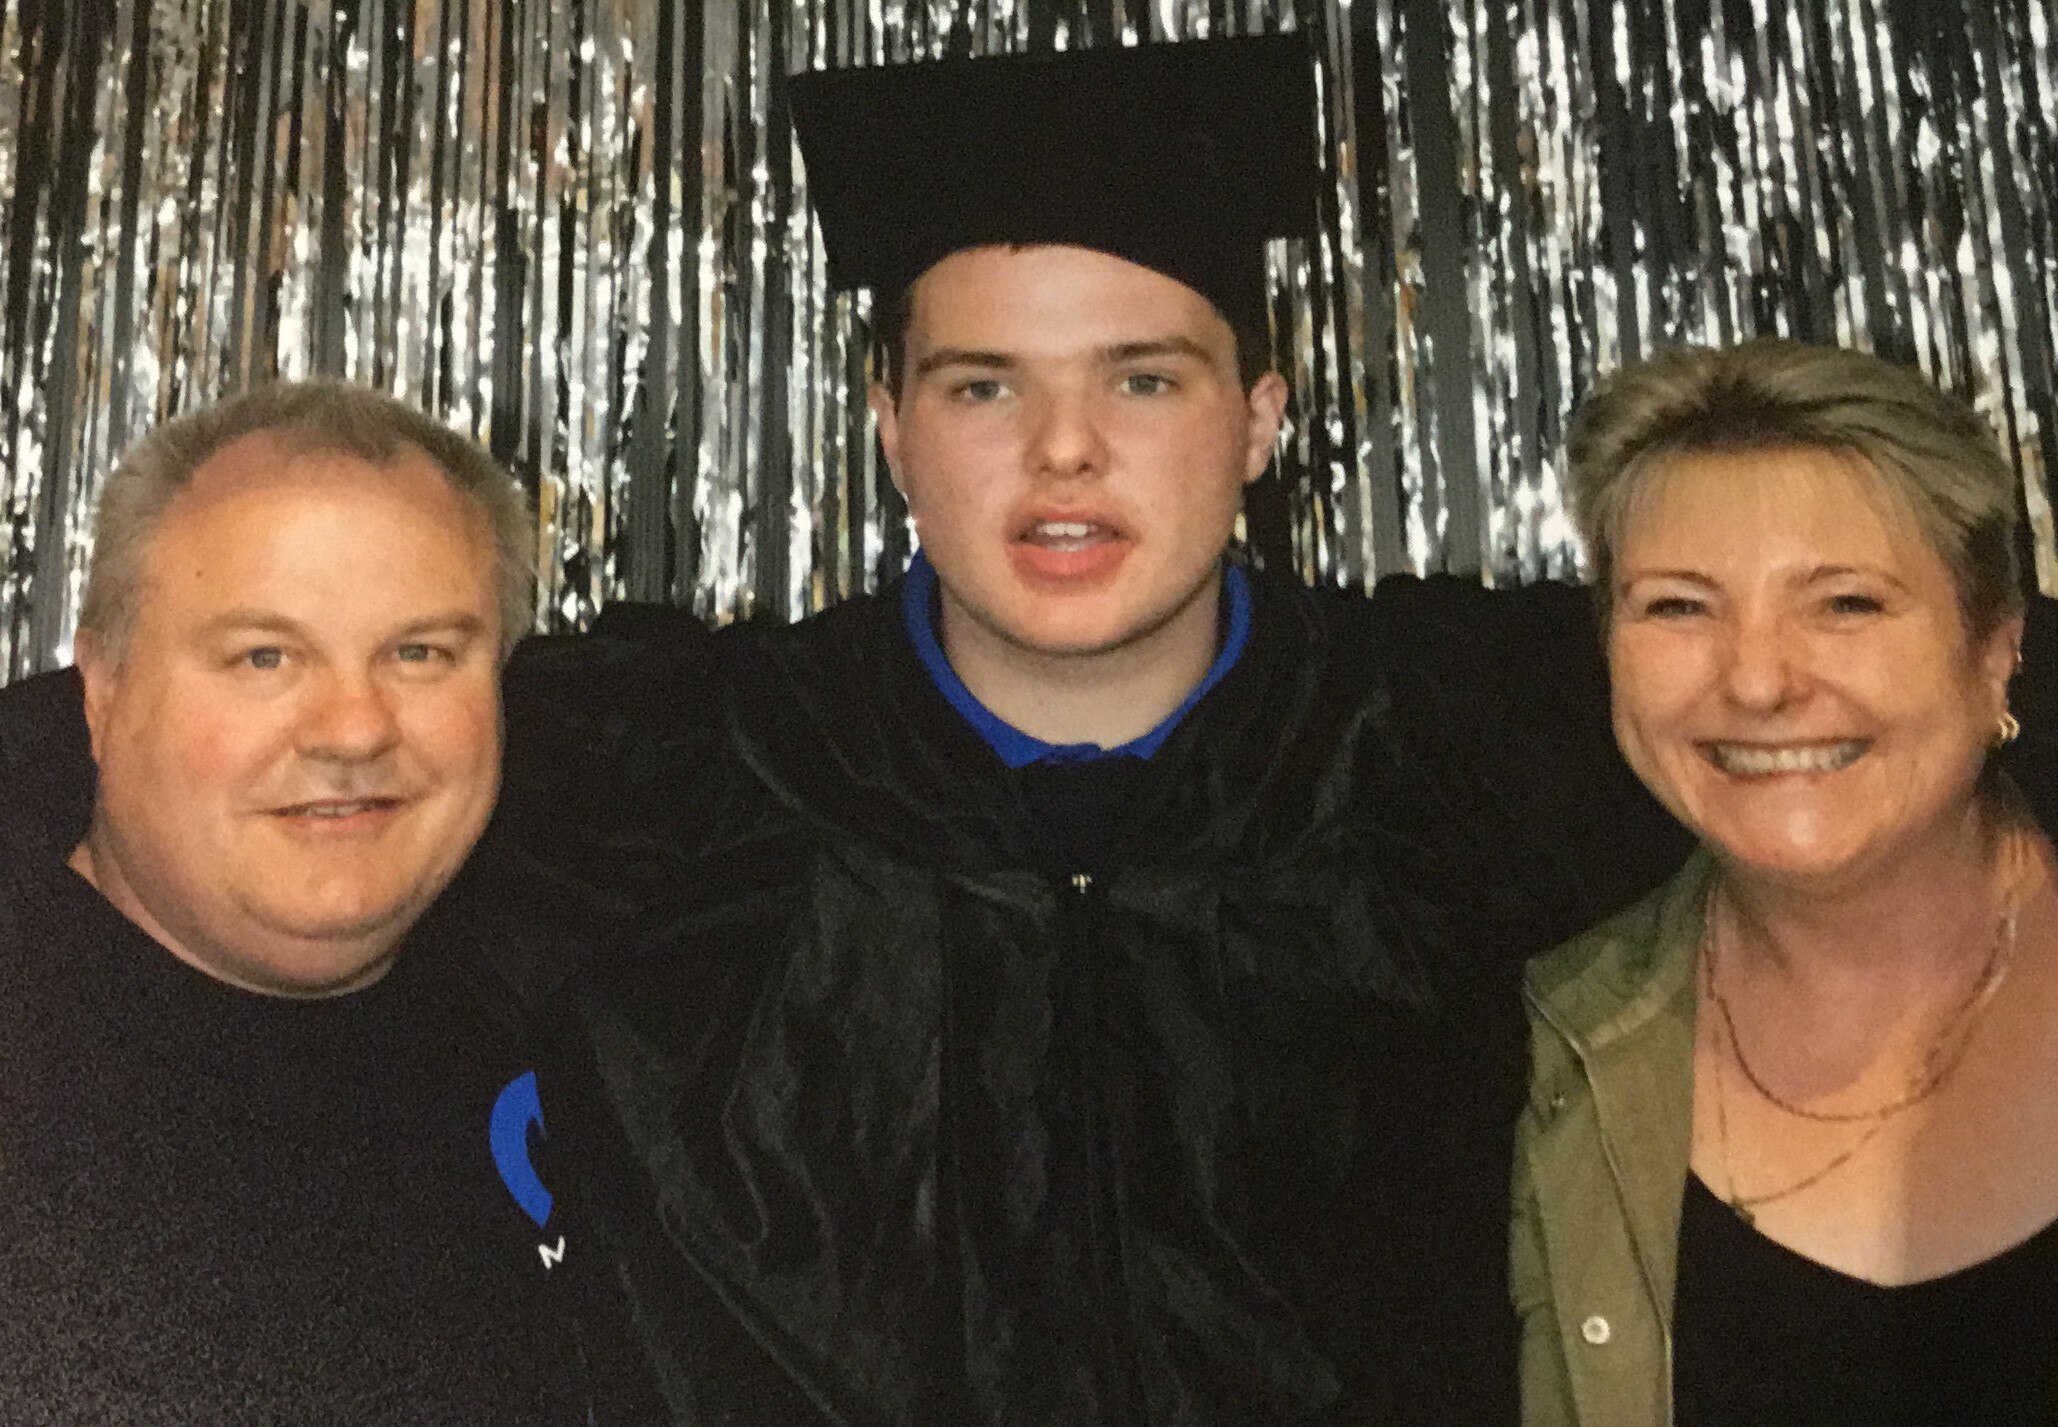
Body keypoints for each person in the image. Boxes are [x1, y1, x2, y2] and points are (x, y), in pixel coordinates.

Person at [487, 34, 1694, 1424]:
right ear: (889, 429)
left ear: (1256, 421)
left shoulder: (1472, 752)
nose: (1063, 449)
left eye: (1142, 379)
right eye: (983, 384)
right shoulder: (666, 782)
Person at [0, 382, 662, 1422]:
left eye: (420, 653)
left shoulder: (588, 996)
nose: (353, 730)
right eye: (265, 655)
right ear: (102, 686)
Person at [1511, 338, 2058, 1424]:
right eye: (1677, 606)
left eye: (1846, 602)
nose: (1758, 680)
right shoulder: (1538, 1055)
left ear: (1996, 643)